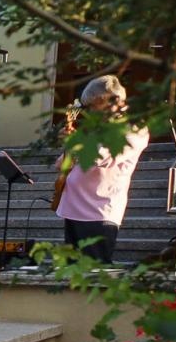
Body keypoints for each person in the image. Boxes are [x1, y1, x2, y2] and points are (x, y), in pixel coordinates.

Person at [55, 74, 150, 264]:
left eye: (92, 106)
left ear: (107, 101)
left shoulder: (134, 129)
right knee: (71, 275)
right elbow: (63, 164)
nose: (89, 112)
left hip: (99, 211)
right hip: (74, 208)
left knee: (92, 273)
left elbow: (98, 157)